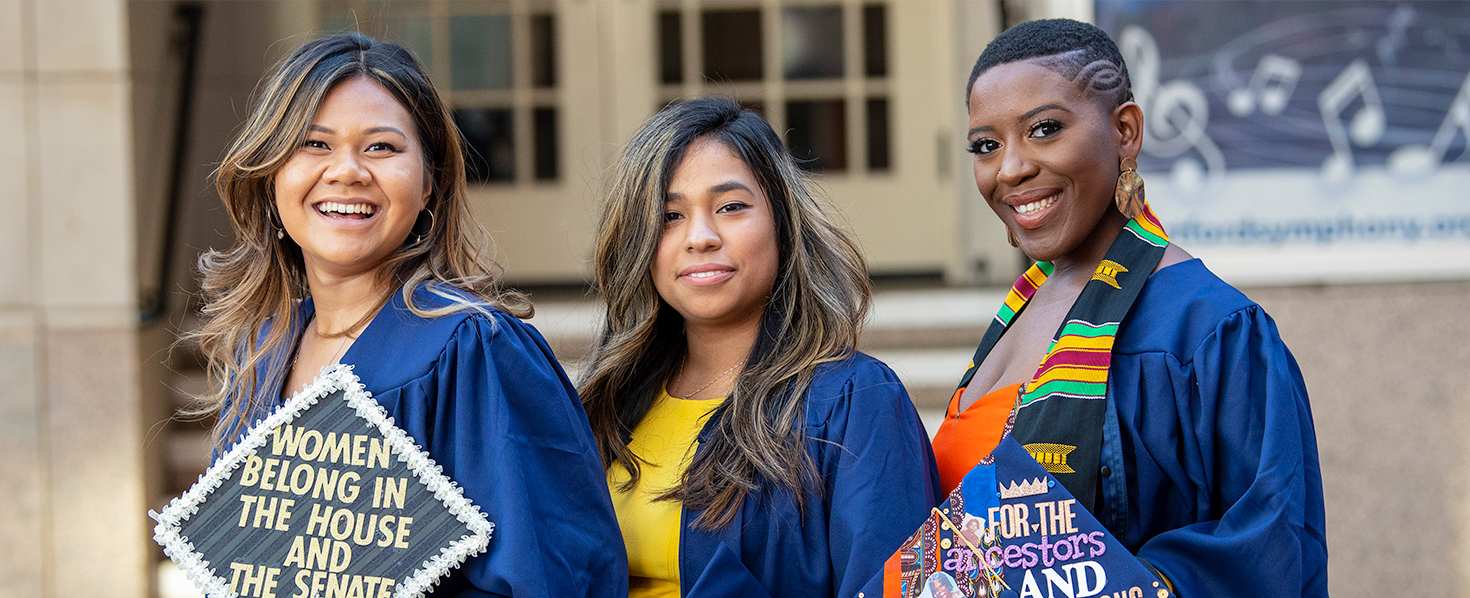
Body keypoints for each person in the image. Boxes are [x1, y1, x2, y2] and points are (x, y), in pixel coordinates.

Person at [189, 32, 627, 597]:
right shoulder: (264, 351)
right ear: (270, 176)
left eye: (381, 148)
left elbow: (557, 579)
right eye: (314, 145)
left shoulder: (474, 351)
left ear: (429, 185)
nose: (346, 171)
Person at [935, 18, 1327, 595]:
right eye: (986, 146)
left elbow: (1270, 550)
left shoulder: (1208, 332)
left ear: (1125, 131)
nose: (1010, 168)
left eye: (1044, 129)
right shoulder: (1022, 309)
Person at [582, 97, 939, 598]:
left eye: (730, 207)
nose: (700, 237)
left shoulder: (852, 401)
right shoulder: (609, 404)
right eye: (669, 215)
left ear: (782, 221)